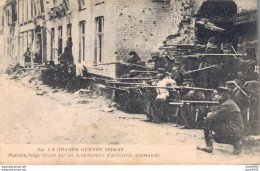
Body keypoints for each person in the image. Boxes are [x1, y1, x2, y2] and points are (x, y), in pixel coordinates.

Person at [197, 87, 244, 155]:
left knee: (207, 120)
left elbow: (212, 117)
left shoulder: (226, 105)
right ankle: (236, 143)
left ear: (222, 95)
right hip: (236, 130)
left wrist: (210, 114)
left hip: (233, 130)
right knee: (216, 136)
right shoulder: (229, 103)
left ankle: (209, 147)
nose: (215, 97)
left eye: (216, 94)